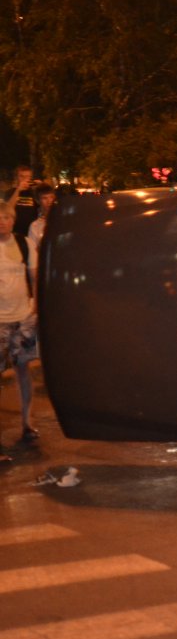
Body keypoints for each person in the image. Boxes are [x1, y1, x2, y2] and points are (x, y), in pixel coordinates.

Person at [0, 201, 39, 461]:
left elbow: (34, 276)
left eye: (6, 217)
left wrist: (35, 304)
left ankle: (27, 423)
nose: (3, 221)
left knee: (23, 372)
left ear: (13, 219)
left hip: (23, 318)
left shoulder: (25, 243)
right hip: (0, 321)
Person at [4, 165, 37, 237]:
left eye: (28, 176)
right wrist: (18, 190)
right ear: (17, 178)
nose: (25, 179)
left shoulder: (33, 193)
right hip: (14, 233)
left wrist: (40, 187)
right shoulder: (10, 192)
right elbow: (7, 210)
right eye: (22, 176)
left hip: (31, 233)